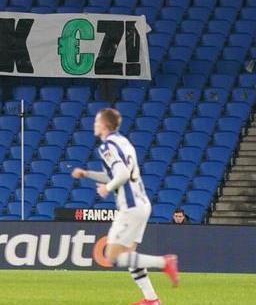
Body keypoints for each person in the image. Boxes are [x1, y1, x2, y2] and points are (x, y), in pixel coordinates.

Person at [71, 108, 179, 304]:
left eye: (96, 121)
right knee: (130, 256)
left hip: (130, 207)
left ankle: (164, 262)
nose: (94, 125)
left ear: (104, 125)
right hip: (142, 203)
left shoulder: (106, 147)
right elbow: (117, 173)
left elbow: (120, 176)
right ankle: (151, 300)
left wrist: (107, 189)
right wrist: (87, 174)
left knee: (112, 257)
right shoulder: (124, 142)